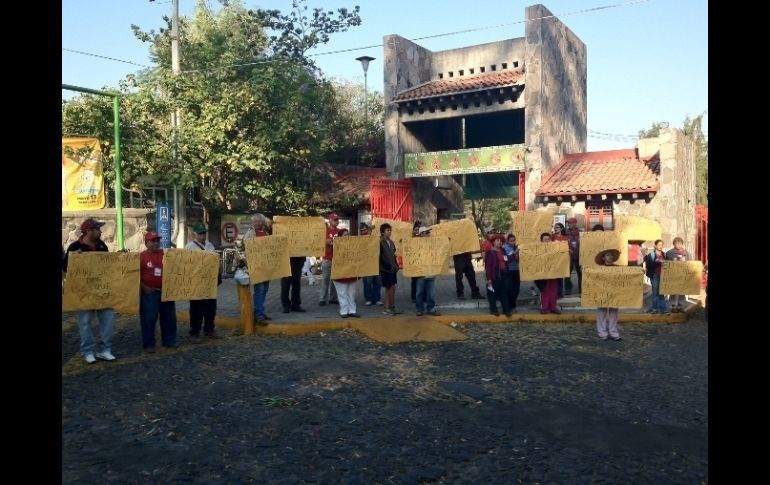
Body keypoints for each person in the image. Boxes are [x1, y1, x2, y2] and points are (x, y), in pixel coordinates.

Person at [63, 218, 117, 363]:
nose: (101, 231)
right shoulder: (74, 247)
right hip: (84, 293)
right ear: (88, 231)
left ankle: (106, 350)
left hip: (103, 291)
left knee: (108, 320)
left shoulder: (102, 245)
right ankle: (87, 351)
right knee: (85, 323)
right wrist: (77, 261)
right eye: (97, 229)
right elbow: (66, 269)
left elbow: (108, 267)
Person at [140, 230, 177, 352]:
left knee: (169, 318)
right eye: (153, 241)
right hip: (150, 293)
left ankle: (169, 340)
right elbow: (135, 275)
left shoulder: (165, 254)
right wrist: (144, 287)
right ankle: (149, 344)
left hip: (166, 292)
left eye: (158, 240)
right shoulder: (141, 256)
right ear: (147, 243)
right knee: (149, 319)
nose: (156, 243)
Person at [184, 222, 221, 341]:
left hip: (209, 282)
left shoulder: (210, 245)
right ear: (194, 234)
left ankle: (209, 329)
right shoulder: (189, 247)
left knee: (211, 308)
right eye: (200, 233)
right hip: (196, 283)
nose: (202, 235)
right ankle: (194, 332)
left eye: (204, 233)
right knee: (196, 309)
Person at [243, 213, 272, 325]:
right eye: (255, 221)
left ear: (262, 222)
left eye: (259, 221)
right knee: (259, 290)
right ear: (252, 223)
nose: (257, 223)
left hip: (266, 266)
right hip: (256, 267)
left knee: (264, 289)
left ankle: (260, 311)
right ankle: (258, 314)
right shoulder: (250, 234)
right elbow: (247, 250)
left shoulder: (266, 233)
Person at [332, 228, 361, 318]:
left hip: (351, 274)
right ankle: (344, 311)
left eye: (348, 235)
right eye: (345, 235)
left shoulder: (353, 246)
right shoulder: (335, 246)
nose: (347, 237)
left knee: (351, 293)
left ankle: (352, 310)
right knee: (342, 293)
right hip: (340, 275)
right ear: (340, 237)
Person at [595, 248, 622, 341]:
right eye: (607, 255)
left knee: (614, 312)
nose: (610, 257)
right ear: (603, 258)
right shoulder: (598, 269)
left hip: (614, 293)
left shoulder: (619, 268)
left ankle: (614, 333)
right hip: (602, 293)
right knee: (601, 312)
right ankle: (602, 333)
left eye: (611, 255)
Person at [414, 226, 441, 316]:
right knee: (419, 293)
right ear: (421, 234)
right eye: (426, 232)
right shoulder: (415, 245)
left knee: (430, 294)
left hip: (431, 274)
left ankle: (431, 308)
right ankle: (419, 309)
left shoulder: (433, 244)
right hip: (420, 274)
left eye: (429, 232)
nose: (429, 234)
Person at [484, 233, 511, 317]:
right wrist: (489, 278)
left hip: (504, 275)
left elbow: (508, 260)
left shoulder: (503, 251)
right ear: (493, 242)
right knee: (492, 294)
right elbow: (488, 267)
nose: (500, 242)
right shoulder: (490, 252)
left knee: (504, 293)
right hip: (495, 276)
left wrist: (516, 252)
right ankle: (494, 310)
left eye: (501, 241)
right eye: (497, 240)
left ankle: (506, 310)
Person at [379, 223, 403, 315]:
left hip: (393, 269)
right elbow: (379, 257)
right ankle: (387, 308)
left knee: (392, 288)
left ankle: (391, 307)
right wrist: (386, 266)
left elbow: (393, 255)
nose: (389, 232)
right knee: (389, 288)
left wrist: (396, 265)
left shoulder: (391, 242)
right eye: (387, 230)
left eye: (390, 230)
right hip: (385, 269)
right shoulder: (380, 242)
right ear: (382, 232)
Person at [535, 232, 561, 314]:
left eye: (548, 239)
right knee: (544, 290)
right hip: (542, 274)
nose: (547, 241)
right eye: (545, 239)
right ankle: (544, 307)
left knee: (554, 290)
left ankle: (553, 307)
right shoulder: (537, 249)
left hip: (554, 273)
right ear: (541, 241)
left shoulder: (555, 248)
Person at [319, 212, 340, 306]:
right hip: (327, 258)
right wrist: (335, 242)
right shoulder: (325, 230)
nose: (337, 221)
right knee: (325, 279)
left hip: (337, 259)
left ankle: (333, 298)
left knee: (335, 280)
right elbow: (327, 241)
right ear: (330, 220)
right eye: (335, 220)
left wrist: (332, 242)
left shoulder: (339, 231)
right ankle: (322, 298)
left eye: (337, 220)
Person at [665, 236, 691, 313]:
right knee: (673, 291)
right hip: (673, 276)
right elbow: (665, 264)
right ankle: (673, 306)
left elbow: (691, 263)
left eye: (680, 243)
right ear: (674, 244)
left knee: (682, 291)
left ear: (682, 244)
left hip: (683, 275)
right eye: (677, 243)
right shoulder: (669, 253)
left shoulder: (686, 253)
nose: (678, 245)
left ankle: (680, 306)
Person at [643, 239, 669, 314]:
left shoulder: (664, 254)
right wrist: (657, 262)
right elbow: (649, 265)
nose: (660, 246)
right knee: (655, 292)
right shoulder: (651, 255)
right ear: (655, 246)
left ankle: (663, 309)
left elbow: (667, 264)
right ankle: (654, 308)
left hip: (663, 275)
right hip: (654, 275)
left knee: (662, 291)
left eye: (661, 245)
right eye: (659, 245)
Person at [359, 223, 382, 305]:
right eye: (363, 229)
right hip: (366, 264)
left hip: (376, 263)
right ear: (361, 231)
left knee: (378, 282)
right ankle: (368, 298)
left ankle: (377, 298)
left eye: (366, 229)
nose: (365, 231)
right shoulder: (359, 240)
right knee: (367, 282)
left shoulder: (374, 238)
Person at [502, 233, 521, 313]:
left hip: (516, 270)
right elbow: (506, 259)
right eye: (511, 241)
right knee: (510, 290)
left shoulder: (517, 247)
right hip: (508, 271)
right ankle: (510, 307)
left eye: (514, 241)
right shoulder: (504, 248)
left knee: (516, 289)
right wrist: (515, 252)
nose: (513, 242)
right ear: (507, 241)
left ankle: (513, 305)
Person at [552, 222, 570, 297]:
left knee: (560, 277)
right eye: (555, 227)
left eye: (557, 227)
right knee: (554, 277)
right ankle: (554, 293)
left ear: (561, 228)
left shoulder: (565, 237)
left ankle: (560, 293)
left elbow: (569, 248)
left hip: (562, 260)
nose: (555, 228)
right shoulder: (552, 237)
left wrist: (569, 250)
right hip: (553, 260)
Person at [566, 217, 583, 294]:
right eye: (568, 223)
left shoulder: (581, 233)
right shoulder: (565, 232)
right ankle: (568, 290)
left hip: (579, 257)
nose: (569, 224)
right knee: (567, 274)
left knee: (581, 274)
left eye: (570, 223)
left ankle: (581, 290)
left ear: (575, 223)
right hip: (568, 257)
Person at [410, 220, 421, 303]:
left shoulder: (423, 239)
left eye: (418, 230)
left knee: (421, 281)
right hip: (413, 264)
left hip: (421, 263)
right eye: (416, 229)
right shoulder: (409, 240)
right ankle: (414, 296)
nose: (417, 231)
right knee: (414, 281)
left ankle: (420, 296)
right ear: (413, 230)